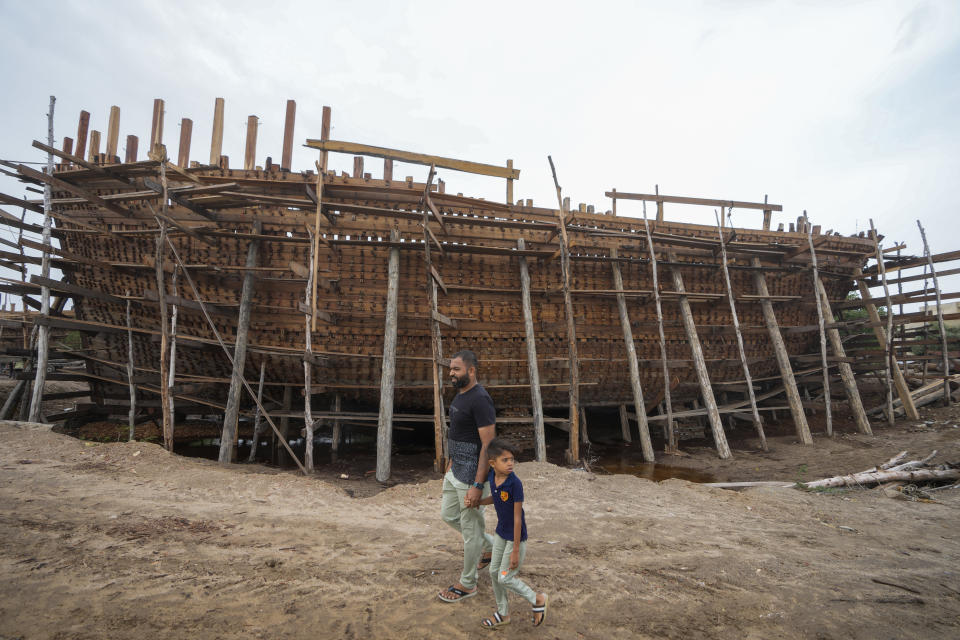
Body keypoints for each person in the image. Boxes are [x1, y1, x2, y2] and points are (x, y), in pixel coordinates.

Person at [438, 350, 496, 603]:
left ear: (471, 371)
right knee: (448, 515)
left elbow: (488, 444)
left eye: (456, 369)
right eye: (451, 369)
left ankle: (468, 583)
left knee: (471, 532)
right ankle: (492, 547)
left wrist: (477, 484)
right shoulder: (461, 395)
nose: (451, 373)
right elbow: (460, 432)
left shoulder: (481, 399)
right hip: (456, 469)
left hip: (472, 474)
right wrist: (451, 459)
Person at [477, 437, 548, 629]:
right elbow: (497, 498)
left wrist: (515, 549)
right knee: (493, 572)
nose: (510, 464)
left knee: (505, 577)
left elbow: (518, 518)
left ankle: (537, 599)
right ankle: (503, 613)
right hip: (500, 533)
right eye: (505, 460)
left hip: (516, 537)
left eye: (512, 459)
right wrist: (479, 502)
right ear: (493, 463)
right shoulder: (492, 477)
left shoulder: (515, 483)